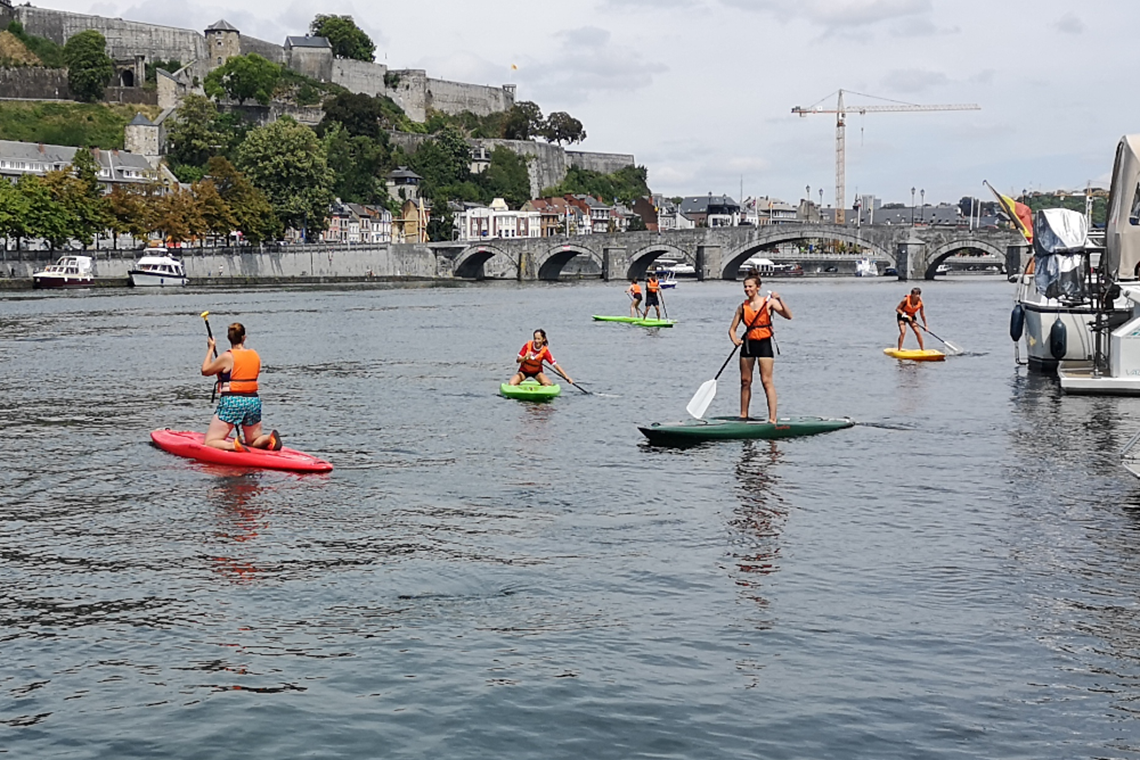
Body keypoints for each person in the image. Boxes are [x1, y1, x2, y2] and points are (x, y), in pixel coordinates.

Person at [201, 322, 281, 452]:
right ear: (244, 338)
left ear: (229, 338)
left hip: (233, 401)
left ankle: (234, 445)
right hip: (253, 401)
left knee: (210, 442)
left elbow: (205, 370)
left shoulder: (227, 356)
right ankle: (268, 438)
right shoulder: (254, 355)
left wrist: (211, 349)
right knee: (253, 441)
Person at [729, 271, 792, 423]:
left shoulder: (769, 302)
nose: (747, 289)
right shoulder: (742, 307)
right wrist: (735, 340)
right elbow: (732, 329)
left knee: (766, 381)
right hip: (748, 345)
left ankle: (772, 418)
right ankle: (744, 415)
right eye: (745, 287)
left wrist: (780, 300)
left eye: (750, 286)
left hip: (764, 344)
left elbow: (788, 315)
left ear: (758, 287)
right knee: (745, 381)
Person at [508, 329, 574, 387]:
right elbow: (517, 360)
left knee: (548, 384)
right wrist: (525, 358)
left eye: (539, 339)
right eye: (535, 338)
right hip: (524, 371)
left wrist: (566, 377)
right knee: (511, 383)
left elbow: (555, 365)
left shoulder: (545, 351)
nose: (536, 341)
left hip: (537, 372)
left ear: (543, 339)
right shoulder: (528, 345)